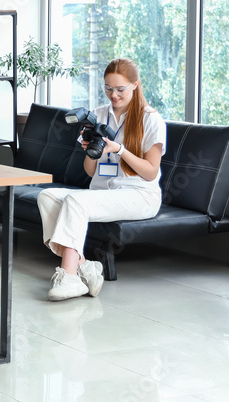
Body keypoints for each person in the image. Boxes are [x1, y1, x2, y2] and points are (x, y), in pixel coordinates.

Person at [37, 58, 167, 301]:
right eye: (108, 88)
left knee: (76, 201)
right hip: (102, 191)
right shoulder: (97, 116)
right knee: (47, 196)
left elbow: (150, 172)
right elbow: (89, 172)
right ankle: (86, 266)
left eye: (120, 89)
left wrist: (119, 150)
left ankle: (69, 276)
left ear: (135, 86)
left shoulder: (151, 120)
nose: (113, 95)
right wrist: (90, 150)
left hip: (139, 194)